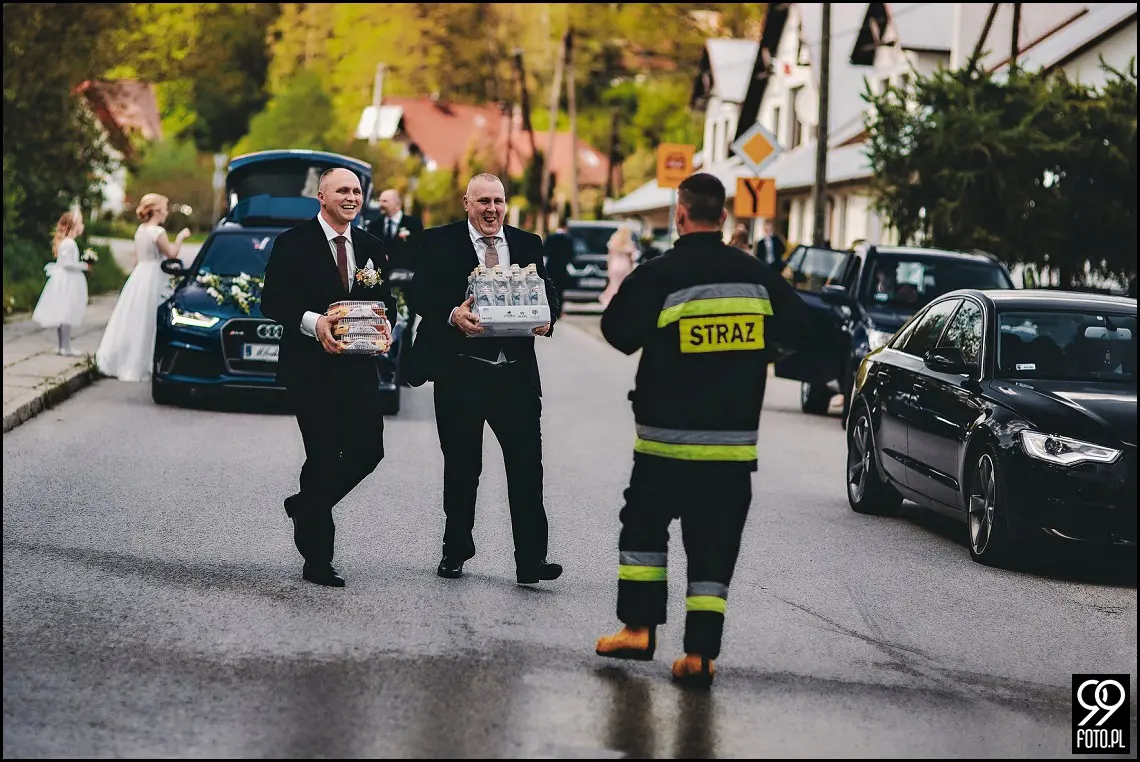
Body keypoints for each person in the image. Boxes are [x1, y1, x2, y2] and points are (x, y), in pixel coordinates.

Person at [594, 172, 810, 687]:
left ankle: (638, 629)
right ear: (724, 217)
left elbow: (617, 331)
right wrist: (757, 352)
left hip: (665, 443)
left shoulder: (659, 274)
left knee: (644, 530)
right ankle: (700, 656)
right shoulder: (756, 276)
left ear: (681, 213)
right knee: (714, 546)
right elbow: (802, 328)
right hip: (732, 449)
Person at [407, 172, 563, 585]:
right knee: (462, 467)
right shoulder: (438, 241)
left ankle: (531, 560)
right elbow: (418, 293)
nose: (491, 210)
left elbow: (547, 289)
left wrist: (549, 318)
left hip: (515, 376)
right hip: (461, 372)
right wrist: (451, 313)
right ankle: (455, 549)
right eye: (483, 202)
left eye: (498, 201)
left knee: (527, 469)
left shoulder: (528, 243)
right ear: (467, 203)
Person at [260, 168, 394, 588]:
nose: (351, 197)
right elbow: (272, 301)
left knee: (369, 450)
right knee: (321, 456)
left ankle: (305, 505)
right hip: (310, 369)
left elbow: (384, 300)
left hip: (359, 367)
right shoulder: (292, 243)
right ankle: (318, 559)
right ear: (322, 196)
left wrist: (384, 325)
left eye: (356, 191)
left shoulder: (372, 247)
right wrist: (314, 322)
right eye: (343, 190)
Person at [95, 194, 190, 382]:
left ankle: (125, 360)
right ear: (157, 211)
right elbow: (171, 253)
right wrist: (180, 238)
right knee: (149, 318)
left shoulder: (141, 230)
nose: (167, 212)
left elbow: (136, 258)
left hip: (140, 275)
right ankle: (143, 363)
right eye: (165, 208)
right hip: (154, 274)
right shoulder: (157, 232)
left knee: (135, 317)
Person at [367, 189, 424, 384]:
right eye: (380, 200)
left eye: (384, 201)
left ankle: (404, 374)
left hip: (407, 286)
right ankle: (381, 369)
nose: (380, 204)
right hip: (382, 285)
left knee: (406, 328)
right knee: (383, 325)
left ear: (397, 204)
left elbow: (419, 252)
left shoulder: (413, 225)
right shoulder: (374, 225)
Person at [33, 210, 91, 356]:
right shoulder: (69, 243)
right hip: (67, 281)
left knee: (64, 313)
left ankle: (62, 345)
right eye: (80, 223)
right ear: (73, 226)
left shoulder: (68, 243)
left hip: (65, 279)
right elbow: (67, 264)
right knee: (66, 312)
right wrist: (84, 266)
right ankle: (65, 346)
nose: (83, 226)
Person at [598, 224, 638, 307]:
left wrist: (609, 267)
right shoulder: (629, 243)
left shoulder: (613, 242)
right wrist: (631, 269)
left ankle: (610, 301)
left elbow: (610, 256)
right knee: (623, 285)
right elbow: (631, 258)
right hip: (625, 265)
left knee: (614, 284)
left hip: (614, 265)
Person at [543, 222, 574, 315]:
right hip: (562, 267)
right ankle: (559, 311)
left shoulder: (550, 237)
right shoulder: (568, 239)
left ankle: (551, 309)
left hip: (551, 267)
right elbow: (571, 253)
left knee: (551, 289)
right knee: (560, 290)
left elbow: (544, 251)